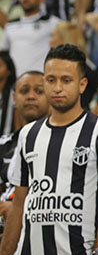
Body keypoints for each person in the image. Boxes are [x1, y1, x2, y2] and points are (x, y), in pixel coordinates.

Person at [0, 44, 98, 255]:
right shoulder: (28, 134)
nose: (57, 88)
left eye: (66, 80)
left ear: (82, 85)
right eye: (51, 80)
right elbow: (19, 205)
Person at [0, 71, 49, 215]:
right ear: (14, 98)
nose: (31, 96)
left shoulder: (63, 143)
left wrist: (18, 209)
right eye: (24, 91)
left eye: (39, 91)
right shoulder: (3, 144)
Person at [0, 0, 60, 72]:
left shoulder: (53, 23)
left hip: (41, 79)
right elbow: (3, 54)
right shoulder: (10, 26)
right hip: (17, 82)